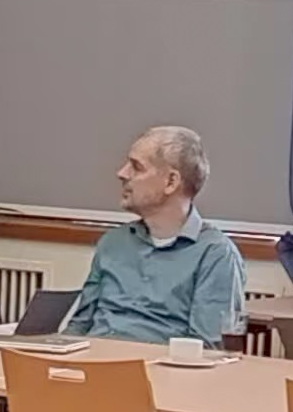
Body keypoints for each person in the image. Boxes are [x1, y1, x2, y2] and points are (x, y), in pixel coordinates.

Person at [53, 124, 247, 345]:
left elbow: (206, 350)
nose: (122, 174)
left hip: (158, 373)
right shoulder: (113, 243)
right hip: (93, 367)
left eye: (136, 167)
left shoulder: (215, 254)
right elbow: (79, 326)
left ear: (171, 182)